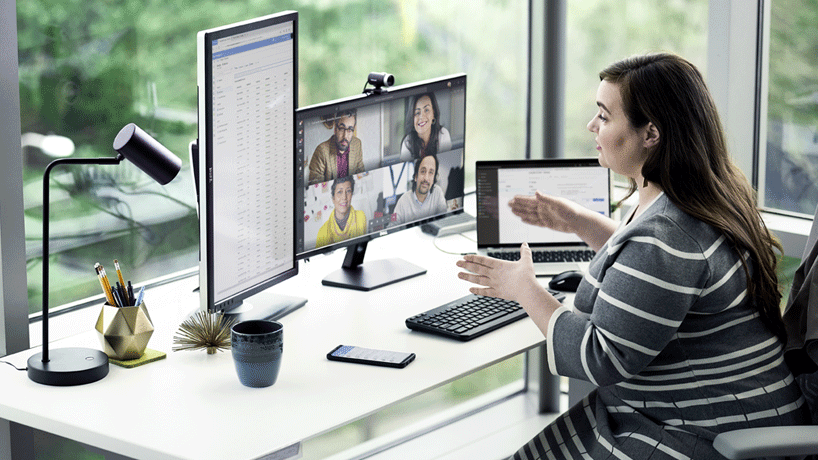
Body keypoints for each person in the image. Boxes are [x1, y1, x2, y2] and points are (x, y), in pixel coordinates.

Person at [457, 53, 810, 460]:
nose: (592, 126)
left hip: (709, 434)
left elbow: (598, 358)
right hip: (736, 412)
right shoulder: (700, 198)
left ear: (651, 134)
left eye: (605, 117)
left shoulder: (666, 237)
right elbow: (668, 273)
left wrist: (524, 289)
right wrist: (582, 223)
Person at [308, 110, 365, 185]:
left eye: (350, 130)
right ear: (335, 129)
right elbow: (316, 186)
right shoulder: (321, 151)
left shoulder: (357, 144)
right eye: (341, 128)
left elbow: (360, 173)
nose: (345, 136)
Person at [393, 154, 447, 225]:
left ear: (434, 179)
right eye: (423, 171)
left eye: (431, 172)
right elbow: (391, 226)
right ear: (416, 176)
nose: (426, 178)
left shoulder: (438, 192)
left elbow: (444, 219)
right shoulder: (402, 201)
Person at [316, 175, 367, 247]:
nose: (344, 197)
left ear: (351, 195)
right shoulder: (322, 232)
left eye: (348, 191)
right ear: (333, 198)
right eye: (339, 192)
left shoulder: (360, 216)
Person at [400, 92, 452, 159]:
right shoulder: (407, 142)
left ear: (434, 114)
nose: (421, 117)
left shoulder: (443, 134)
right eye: (417, 113)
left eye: (426, 110)